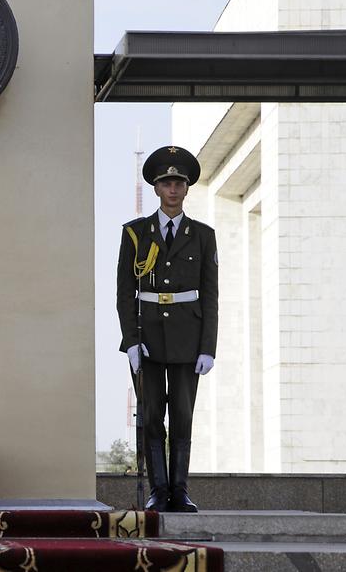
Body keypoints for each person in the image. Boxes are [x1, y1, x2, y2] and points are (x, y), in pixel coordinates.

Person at [116, 145, 218, 512]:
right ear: (156, 189)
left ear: (187, 188)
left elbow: (210, 295)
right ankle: (158, 490)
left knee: (183, 416)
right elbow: (125, 293)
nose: (173, 189)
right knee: (151, 414)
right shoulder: (135, 234)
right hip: (147, 337)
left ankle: (181, 490)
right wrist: (130, 340)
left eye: (179, 182)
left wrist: (208, 347)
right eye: (166, 182)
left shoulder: (203, 235)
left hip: (188, 339)